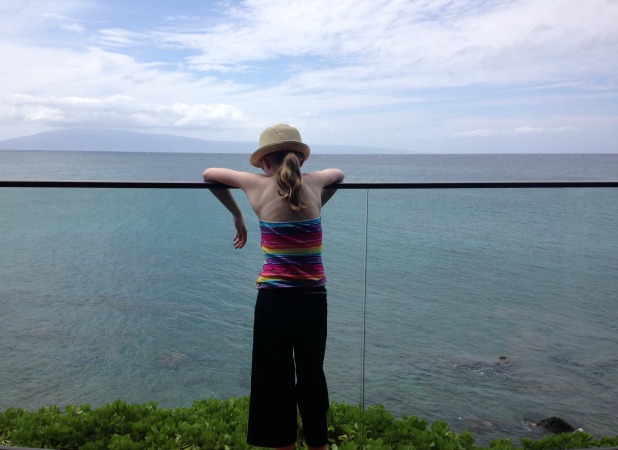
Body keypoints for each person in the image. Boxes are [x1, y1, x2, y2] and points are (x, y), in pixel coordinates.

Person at [202, 123, 345, 450]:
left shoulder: (255, 185)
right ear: (300, 160)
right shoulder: (314, 183)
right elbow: (339, 173)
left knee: (273, 380)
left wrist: (237, 214)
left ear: (265, 162)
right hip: (313, 300)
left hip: (274, 302)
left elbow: (209, 174)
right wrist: (319, 202)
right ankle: (318, 444)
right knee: (311, 374)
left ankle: (283, 444)